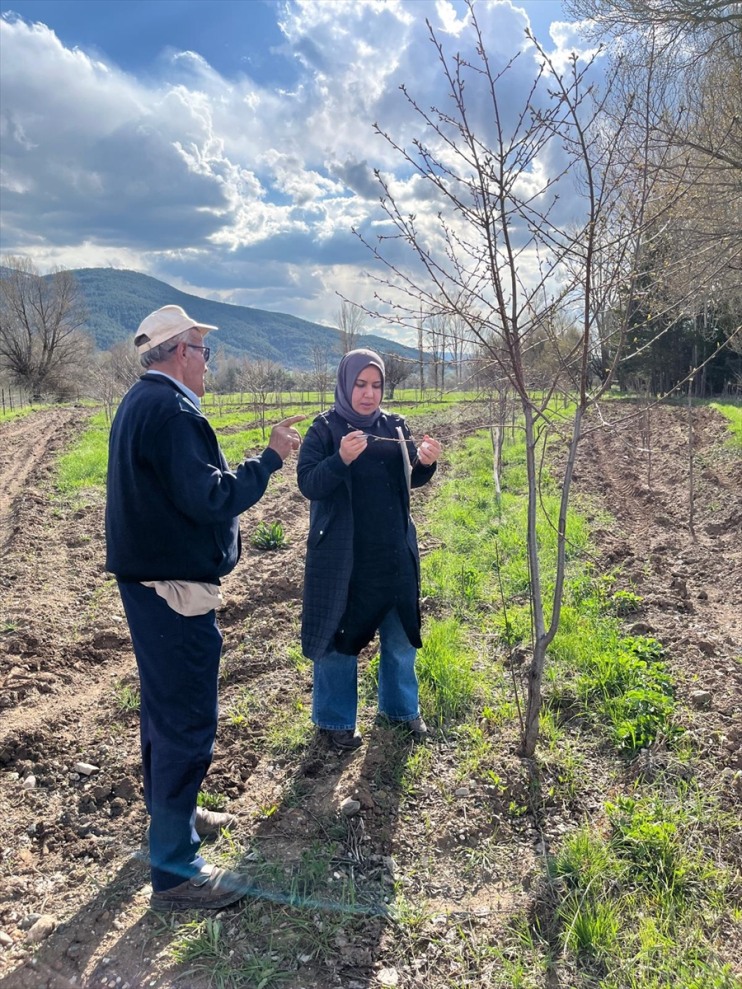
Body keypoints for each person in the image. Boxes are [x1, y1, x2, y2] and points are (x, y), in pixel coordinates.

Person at [105, 304, 302, 910]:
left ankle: (177, 823)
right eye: (205, 351)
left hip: (152, 587)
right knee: (186, 722)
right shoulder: (171, 412)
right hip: (173, 594)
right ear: (179, 353)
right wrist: (268, 460)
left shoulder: (142, 403)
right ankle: (177, 873)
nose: (209, 363)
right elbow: (212, 496)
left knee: (165, 717)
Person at [297, 348, 442, 751]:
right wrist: (341, 459)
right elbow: (308, 482)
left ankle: (400, 709)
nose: (368, 393)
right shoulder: (324, 430)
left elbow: (407, 480)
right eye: (360, 384)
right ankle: (334, 720)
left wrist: (425, 464)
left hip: (393, 552)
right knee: (340, 640)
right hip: (345, 559)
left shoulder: (394, 426)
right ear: (345, 384)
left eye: (376, 385)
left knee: (399, 637)